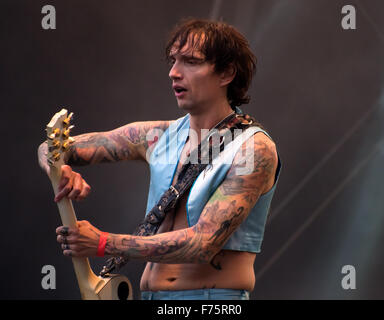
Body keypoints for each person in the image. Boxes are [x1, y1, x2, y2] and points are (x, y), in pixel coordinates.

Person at [38, 18, 281, 300]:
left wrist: (104, 242)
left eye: (191, 61)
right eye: (173, 61)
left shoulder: (253, 149)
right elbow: (52, 147)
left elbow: (202, 243)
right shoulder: (156, 136)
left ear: (226, 73)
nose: (174, 73)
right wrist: (60, 170)